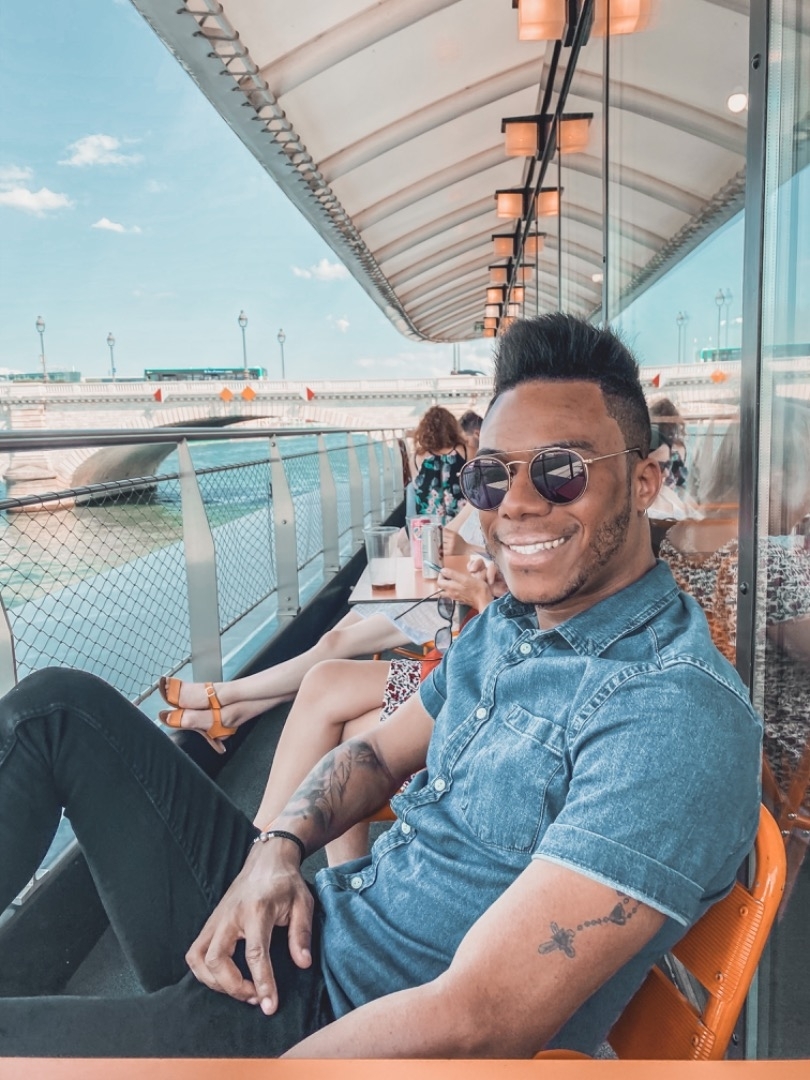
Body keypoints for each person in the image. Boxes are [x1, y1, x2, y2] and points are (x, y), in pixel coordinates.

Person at [0, 314, 762, 1058]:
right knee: (58, 710)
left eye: (562, 470)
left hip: (334, 1028)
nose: (519, 503)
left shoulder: (670, 715)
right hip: (315, 929)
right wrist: (275, 851)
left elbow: (478, 1021)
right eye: (491, 476)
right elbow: (376, 754)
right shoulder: (515, 625)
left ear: (645, 480)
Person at [160, 512, 488, 749]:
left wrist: (465, 548)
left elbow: (496, 577)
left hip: (455, 607)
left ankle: (222, 695)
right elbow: (441, 536)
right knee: (330, 644)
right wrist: (433, 541)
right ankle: (231, 715)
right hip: (434, 592)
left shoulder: (507, 505)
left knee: (332, 653)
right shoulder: (481, 492)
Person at [658, 397, 810, 891]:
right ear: (779, 477)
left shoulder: (677, 539)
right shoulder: (770, 558)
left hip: (703, 750)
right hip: (777, 767)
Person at [411, 405, 467, 523]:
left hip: (428, 524)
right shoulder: (465, 451)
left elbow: (416, 488)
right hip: (460, 523)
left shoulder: (417, 457)